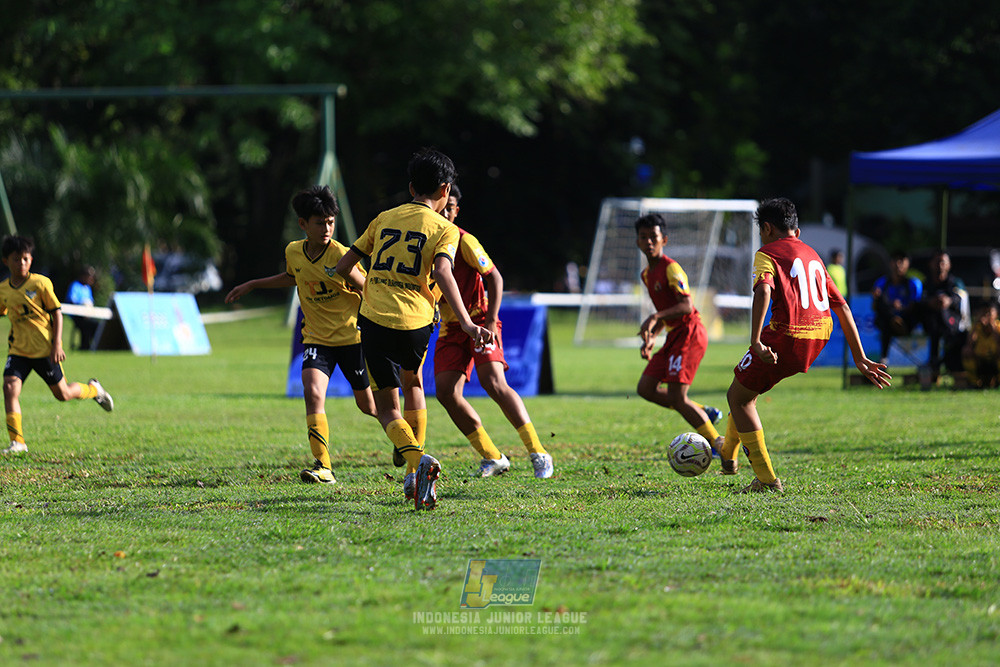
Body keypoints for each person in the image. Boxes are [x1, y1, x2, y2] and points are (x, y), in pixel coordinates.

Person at [335, 148, 493, 510]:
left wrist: (367, 288)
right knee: (415, 385)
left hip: (375, 321)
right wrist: (467, 322)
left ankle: (416, 462)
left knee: (387, 408)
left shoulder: (384, 218)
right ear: (444, 190)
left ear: (410, 187)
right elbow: (442, 272)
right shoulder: (446, 229)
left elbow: (345, 266)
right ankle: (411, 478)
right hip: (417, 324)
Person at [720, 198, 890, 493]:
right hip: (820, 334)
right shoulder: (813, 255)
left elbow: (763, 290)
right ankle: (728, 457)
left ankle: (766, 480)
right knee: (746, 389)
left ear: (767, 228)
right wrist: (860, 358)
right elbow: (844, 307)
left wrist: (756, 340)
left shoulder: (766, 252)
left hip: (787, 334)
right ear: (796, 232)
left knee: (738, 397)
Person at [225, 185, 376, 485]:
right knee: (312, 392)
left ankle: (404, 442)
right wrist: (253, 284)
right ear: (303, 224)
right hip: (317, 340)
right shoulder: (293, 251)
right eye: (320, 222)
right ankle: (324, 467)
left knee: (369, 406)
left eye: (331, 221)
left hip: (351, 339)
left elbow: (369, 289)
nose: (327, 228)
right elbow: (293, 277)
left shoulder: (342, 256)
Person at [433, 184, 554, 479]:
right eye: (442, 207)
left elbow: (495, 278)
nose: (446, 212)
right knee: (446, 393)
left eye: (451, 208)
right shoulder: (428, 244)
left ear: (456, 211)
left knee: (494, 383)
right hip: (451, 328)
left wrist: (489, 321)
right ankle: (493, 456)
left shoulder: (465, 241)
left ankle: (538, 452)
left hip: (479, 323)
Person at [0, 236, 114, 455]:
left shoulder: (40, 284)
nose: (21, 263)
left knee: (62, 394)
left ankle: (94, 389)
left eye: (25, 259)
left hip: (45, 351)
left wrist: (57, 344)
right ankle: (18, 442)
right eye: (16, 259)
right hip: (19, 351)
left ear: (31, 260)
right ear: (6, 261)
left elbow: (57, 313)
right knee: (9, 389)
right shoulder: (3, 289)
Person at [634, 213, 725, 456]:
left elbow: (686, 305)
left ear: (664, 239)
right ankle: (704, 411)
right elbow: (666, 312)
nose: (649, 242)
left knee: (676, 396)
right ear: (638, 243)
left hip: (690, 332)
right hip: (675, 335)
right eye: (644, 237)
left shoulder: (671, 268)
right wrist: (653, 335)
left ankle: (717, 444)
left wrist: (654, 318)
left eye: (653, 237)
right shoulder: (646, 275)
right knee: (645, 388)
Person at [920, 250, 969, 381]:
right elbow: (920, 301)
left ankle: (939, 362)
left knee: (942, 312)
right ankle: (934, 362)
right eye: (937, 262)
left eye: (943, 262)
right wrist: (931, 302)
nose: (940, 265)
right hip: (930, 324)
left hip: (951, 324)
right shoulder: (926, 284)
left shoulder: (954, 283)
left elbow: (960, 297)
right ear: (930, 264)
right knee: (935, 318)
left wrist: (948, 301)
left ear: (949, 265)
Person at [871, 251, 923, 364]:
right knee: (885, 318)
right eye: (895, 260)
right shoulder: (882, 283)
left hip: (907, 322)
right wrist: (877, 298)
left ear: (907, 264)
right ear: (890, 263)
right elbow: (875, 307)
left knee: (888, 321)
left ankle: (883, 358)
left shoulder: (913, 283)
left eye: (902, 261)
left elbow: (916, 306)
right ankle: (883, 360)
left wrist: (901, 308)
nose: (898, 264)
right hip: (887, 320)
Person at [961, 303, 1000, 388]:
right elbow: (969, 343)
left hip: (994, 359)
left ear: (996, 314)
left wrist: (992, 328)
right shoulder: (977, 327)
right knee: (966, 351)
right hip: (980, 359)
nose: (986, 316)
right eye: (983, 313)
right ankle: (974, 382)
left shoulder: (998, 327)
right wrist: (976, 325)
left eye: (989, 313)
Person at [65, 265, 99, 350]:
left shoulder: (88, 288)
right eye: (89, 277)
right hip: (77, 316)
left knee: (96, 325)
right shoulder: (75, 286)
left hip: (87, 315)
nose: (91, 279)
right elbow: (72, 300)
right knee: (86, 325)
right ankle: (84, 346)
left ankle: (95, 345)